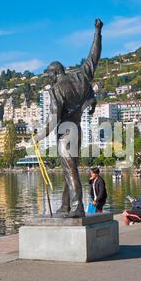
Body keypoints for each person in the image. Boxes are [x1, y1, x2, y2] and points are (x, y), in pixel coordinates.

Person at [33, 19, 103, 218]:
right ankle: (65, 205)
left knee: (70, 170)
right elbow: (94, 56)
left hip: (64, 132)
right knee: (69, 167)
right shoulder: (81, 77)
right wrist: (97, 32)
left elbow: (54, 118)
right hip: (78, 130)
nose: (49, 79)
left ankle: (77, 206)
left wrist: (38, 136)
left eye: (49, 76)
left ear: (56, 73)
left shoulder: (57, 90)